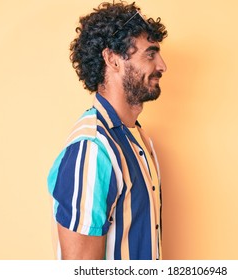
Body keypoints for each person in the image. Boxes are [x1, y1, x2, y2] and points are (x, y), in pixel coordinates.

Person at [47, 1, 167, 260]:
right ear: (113, 59)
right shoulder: (92, 149)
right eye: (150, 53)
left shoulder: (138, 139)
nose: (162, 65)